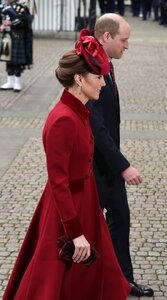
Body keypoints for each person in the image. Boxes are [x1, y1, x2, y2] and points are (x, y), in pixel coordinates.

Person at [3, 29, 131, 300]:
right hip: (67, 211)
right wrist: (75, 233)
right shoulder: (63, 120)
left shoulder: (78, 112)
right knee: (52, 280)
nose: (103, 84)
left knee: (95, 276)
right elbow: (58, 181)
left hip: (85, 204)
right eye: (98, 77)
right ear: (78, 79)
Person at [87, 13, 154, 297]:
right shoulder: (90, 68)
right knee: (88, 229)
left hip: (110, 165)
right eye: (124, 40)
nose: (127, 46)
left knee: (120, 220)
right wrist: (124, 166)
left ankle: (122, 281)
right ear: (106, 37)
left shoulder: (106, 64)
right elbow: (97, 127)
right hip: (94, 167)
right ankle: (83, 284)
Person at [0, 0, 33, 92]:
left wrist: (11, 23)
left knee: (17, 60)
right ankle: (10, 81)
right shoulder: (3, 5)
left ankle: (17, 82)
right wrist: (1, 26)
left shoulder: (21, 5)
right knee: (8, 59)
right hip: (6, 36)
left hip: (18, 36)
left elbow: (26, 20)